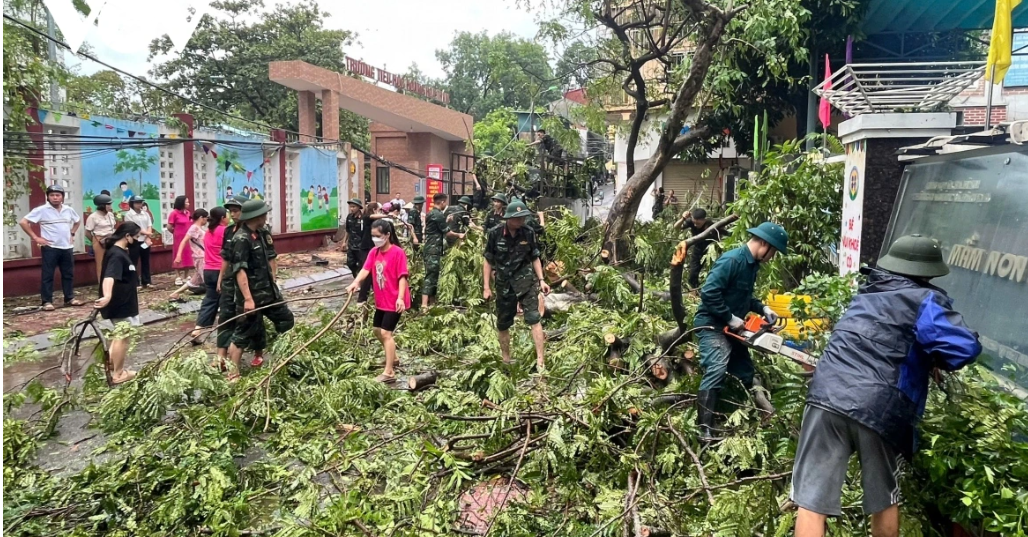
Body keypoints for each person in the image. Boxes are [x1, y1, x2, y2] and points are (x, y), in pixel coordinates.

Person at [789, 235, 980, 537]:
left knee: (811, 502)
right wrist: (934, 359)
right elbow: (964, 348)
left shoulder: (866, 294)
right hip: (879, 408)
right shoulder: (925, 300)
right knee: (883, 499)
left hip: (826, 394)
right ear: (929, 272)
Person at [694, 221, 789, 442]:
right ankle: (704, 430)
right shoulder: (733, 260)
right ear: (764, 244)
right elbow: (708, 293)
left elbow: (744, 297)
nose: (772, 257)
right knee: (716, 369)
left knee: (746, 372)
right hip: (712, 325)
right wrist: (729, 317)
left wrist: (763, 308)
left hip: (732, 328)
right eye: (773, 251)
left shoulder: (751, 266)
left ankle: (760, 416)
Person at [226, 200, 294, 381]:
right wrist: (248, 299)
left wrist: (274, 278)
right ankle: (233, 373)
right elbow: (239, 270)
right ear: (256, 216)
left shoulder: (263, 233)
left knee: (286, 320)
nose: (266, 216)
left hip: (269, 293)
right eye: (264, 214)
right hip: (251, 296)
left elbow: (271, 257)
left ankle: (286, 358)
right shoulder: (241, 239)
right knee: (243, 333)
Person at [483, 200, 551, 371]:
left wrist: (542, 280)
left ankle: (541, 361)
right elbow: (488, 260)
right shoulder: (495, 233)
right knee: (503, 322)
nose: (521, 221)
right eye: (518, 219)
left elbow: (534, 257)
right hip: (504, 282)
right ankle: (506, 360)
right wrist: (486, 287)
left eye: (523, 218)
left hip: (526, 281)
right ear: (509, 219)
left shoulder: (528, 232)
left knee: (534, 318)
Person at [346, 219, 411, 383]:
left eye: (378, 236)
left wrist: (401, 298)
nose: (375, 239)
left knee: (386, 333)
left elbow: (402, 276)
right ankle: (394, 358)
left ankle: (389, 372)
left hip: (395, 299)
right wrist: (355, 283)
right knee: (376, 330)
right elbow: (365, 269)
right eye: (373, 236)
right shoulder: (374, 252)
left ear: (387, 235)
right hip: (382, 299)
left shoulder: (398, 253)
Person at [19, 184, 84, 311]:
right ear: (48, 197)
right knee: (48, 275)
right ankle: (47, 301)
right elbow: (23, 222)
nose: (55, 198)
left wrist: (72, 232)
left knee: (68, 274)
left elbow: (77, 221)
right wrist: (36, 237)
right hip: (50, 247)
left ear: (62, 197)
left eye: (58, 195)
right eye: (52, 195)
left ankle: (69, 298)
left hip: (67, 247)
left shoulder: (68, 210)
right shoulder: (42, 210)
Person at [93, 221, 142, 384]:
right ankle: (118, 374)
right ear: (127, 236)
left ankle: (111, 367)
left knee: (119, 335)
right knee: (123, 336)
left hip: (126, 302)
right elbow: (109, 277)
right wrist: (107, 296)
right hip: (119, 303)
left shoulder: (120, 252)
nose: (137, 240)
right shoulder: (116, 254)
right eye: (136, 236)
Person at [216, 196, 252, 367]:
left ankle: (238, 357)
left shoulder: (254, 231)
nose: (233, 214)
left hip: (247, 282)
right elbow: (225, 257)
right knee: (225, 316)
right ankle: (220, 357)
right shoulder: (228, 231)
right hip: (230, 280)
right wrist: (220, 278)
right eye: (231, 211)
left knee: (244, 319)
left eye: (236, 211)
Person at [192, 207, 228, 350]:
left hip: (208, 270)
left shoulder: (208, 232)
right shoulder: (224, 231)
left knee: (210, 301)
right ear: (222, 218)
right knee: (226, 304)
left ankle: (197, 330)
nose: (229, 218)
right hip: (221, 271)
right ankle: (225, 335)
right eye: (227, 216)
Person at [422, 193, 464, 308]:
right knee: (430, 276)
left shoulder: (431, 213)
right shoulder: (438, 214)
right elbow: (448, 233)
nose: (446, 205)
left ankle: (432, 302)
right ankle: (424, 305)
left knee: (434, 276)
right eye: (445, 202)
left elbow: (437, 226)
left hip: (431, 248)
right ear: (441, 202)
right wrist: (459, 235)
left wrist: (446, 220)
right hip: (433, 249)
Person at [674, 208, 720, 290]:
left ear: (704, 220)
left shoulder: (710, 225)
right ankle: (694, 289)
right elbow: (676, 227)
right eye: (694, 222)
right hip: (697, 249)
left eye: (698, 223)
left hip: (710, 251)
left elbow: (722, 235)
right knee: (693, 273)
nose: (695, 225)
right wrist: (683, 218)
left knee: (711, 271)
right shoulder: (691, 222)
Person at [170, 209, 208, 300]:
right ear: (201, 218)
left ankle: (175, 293)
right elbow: (184, 241)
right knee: (207, 280)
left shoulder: (198, 228)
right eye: (206, 218)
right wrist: (179, 255)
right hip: (201, 257)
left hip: (201, 256)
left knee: (195, 279)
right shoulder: (194, 228)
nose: (207, 220)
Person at [123, 195, 154, 288]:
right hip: (135, 240)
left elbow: (149, 225)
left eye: (140, 202)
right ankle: (135, 282)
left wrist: (148, 236)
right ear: (132, 203)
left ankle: (147, 281)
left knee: (146, 261)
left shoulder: (145, 214)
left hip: (145, 240)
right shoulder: (129, 215)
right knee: (133, 261)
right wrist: (147, 233)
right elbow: (134, 228)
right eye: (137, 202)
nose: (139, 204)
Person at [85, 194, 117, 282]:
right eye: (108, 204)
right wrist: (95, 241)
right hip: (99, 240)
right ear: (102, 205)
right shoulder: (93, 217)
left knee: (113, 261)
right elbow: (87, 232)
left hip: (111, 239)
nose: (110, 206)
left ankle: (113, 283)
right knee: (101, 264)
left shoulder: (110, 214)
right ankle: (102, 285)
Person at [167, 195, 193, 285]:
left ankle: (186, 275)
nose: (188, 204)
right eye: (186, 202)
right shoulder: (174, 213)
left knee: (188, 255)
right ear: (181, 203)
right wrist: (175, 233)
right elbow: (169, 226)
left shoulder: (188, 213)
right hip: (178, 237)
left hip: (188, 237)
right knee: (177, 255)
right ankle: (178, 276)